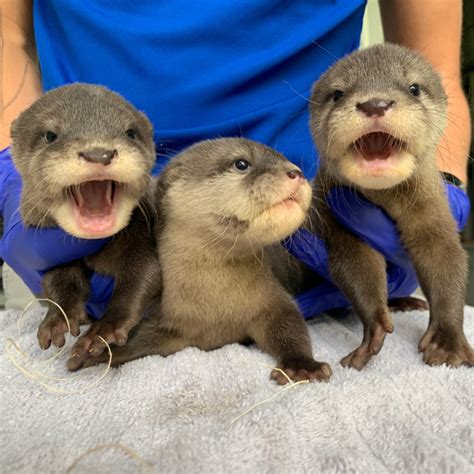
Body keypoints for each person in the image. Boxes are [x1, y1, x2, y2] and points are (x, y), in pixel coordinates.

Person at [0, 0, 470, 318]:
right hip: (123, 223)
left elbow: (433, 71)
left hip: (315, 218)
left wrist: (439, 187)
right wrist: (10, 172)